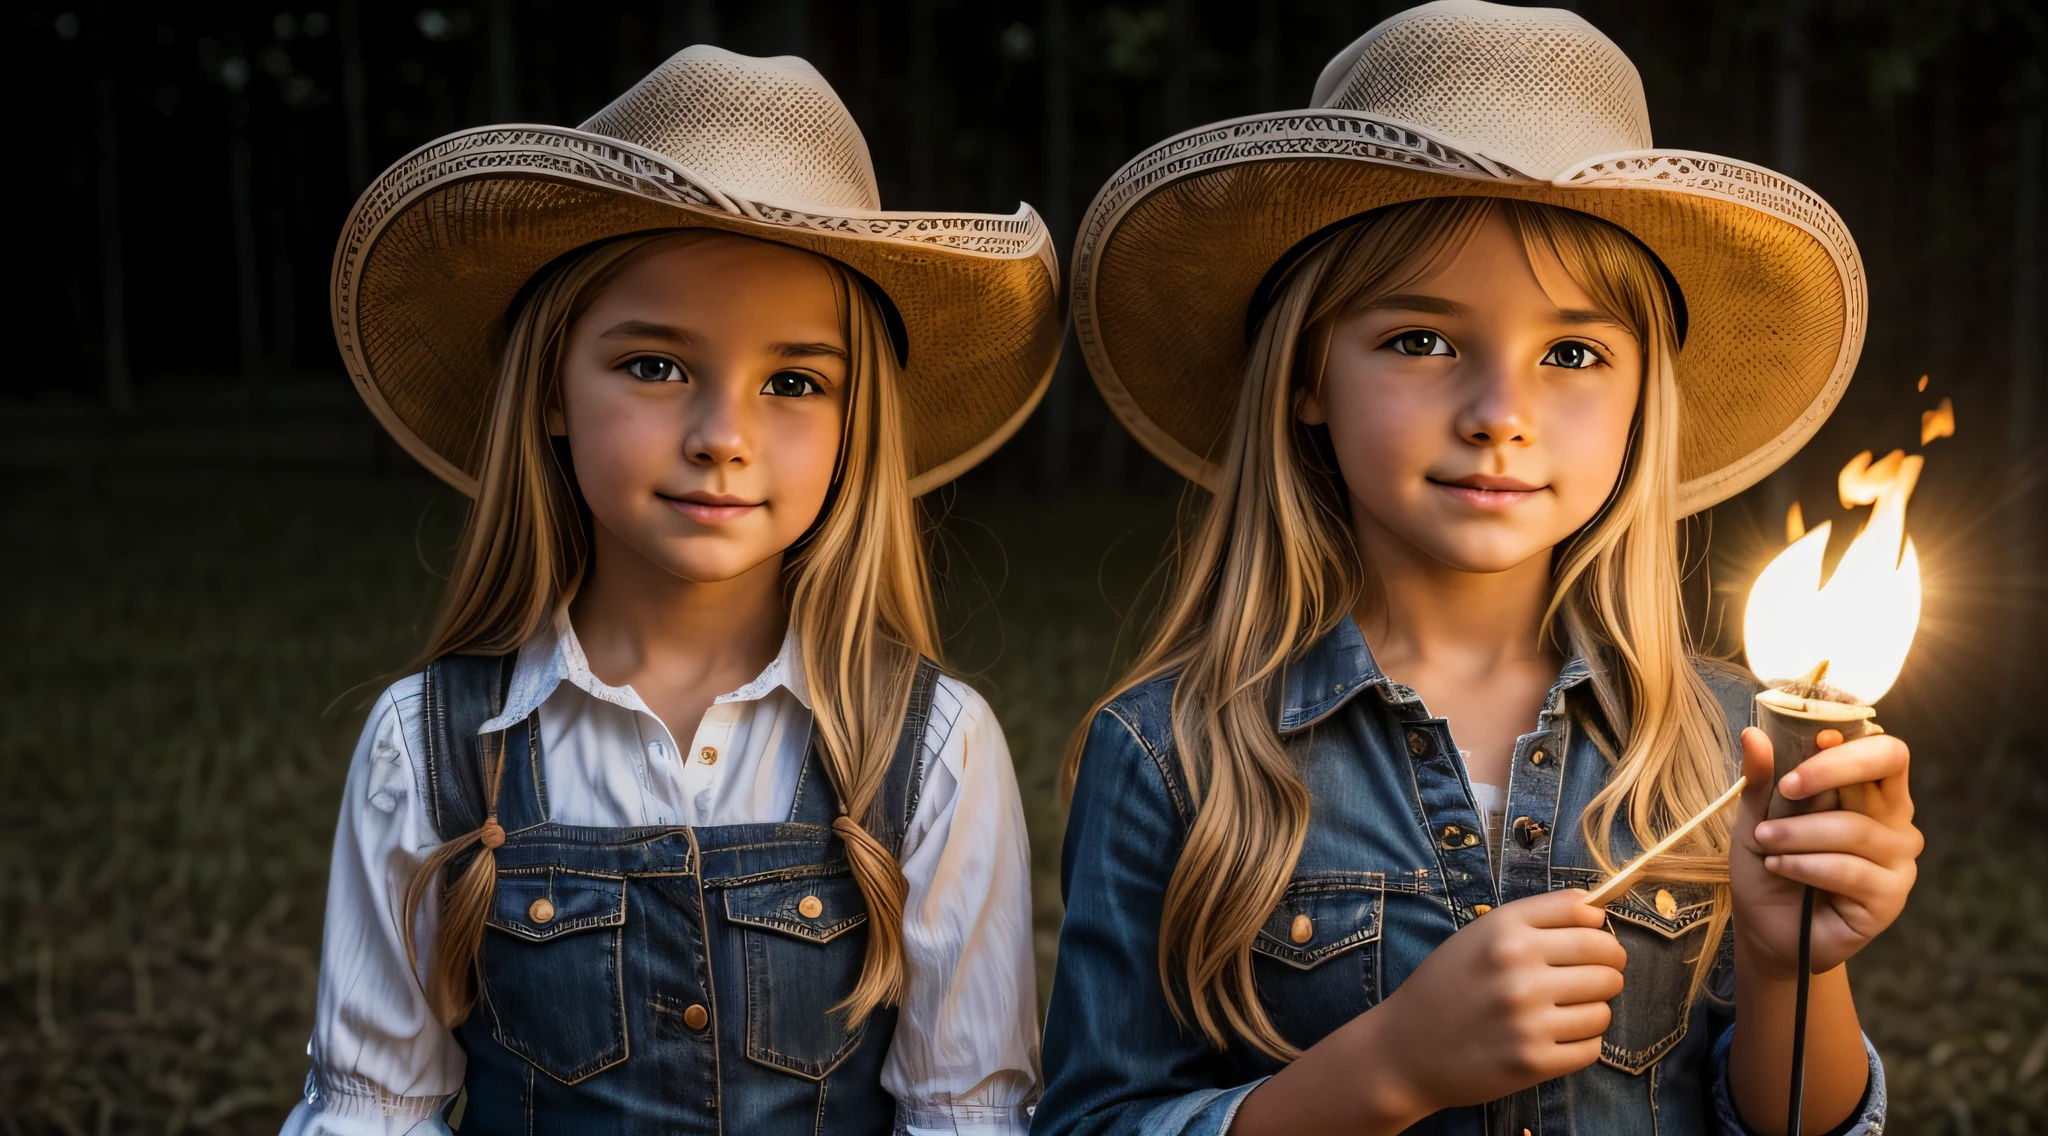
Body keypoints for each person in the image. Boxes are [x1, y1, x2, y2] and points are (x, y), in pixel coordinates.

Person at [1036, 3, 1917, 1134]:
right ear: (1308, 374)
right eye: (1420, 339)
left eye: (1570, 352)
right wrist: (1389, 1068)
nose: (1498, 414)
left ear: (1644, 395)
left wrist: (1790, 959)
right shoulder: (1173, 754)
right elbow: (1090, 1120)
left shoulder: (1725, 738)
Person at [283, 46, 1060, 1136]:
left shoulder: (926, 748)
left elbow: (964, 1112)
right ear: (551, 388)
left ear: (854, 427)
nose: (722, 439)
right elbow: (370, 1108)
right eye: (654, 365)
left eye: (793, 382)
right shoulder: (432, 746)